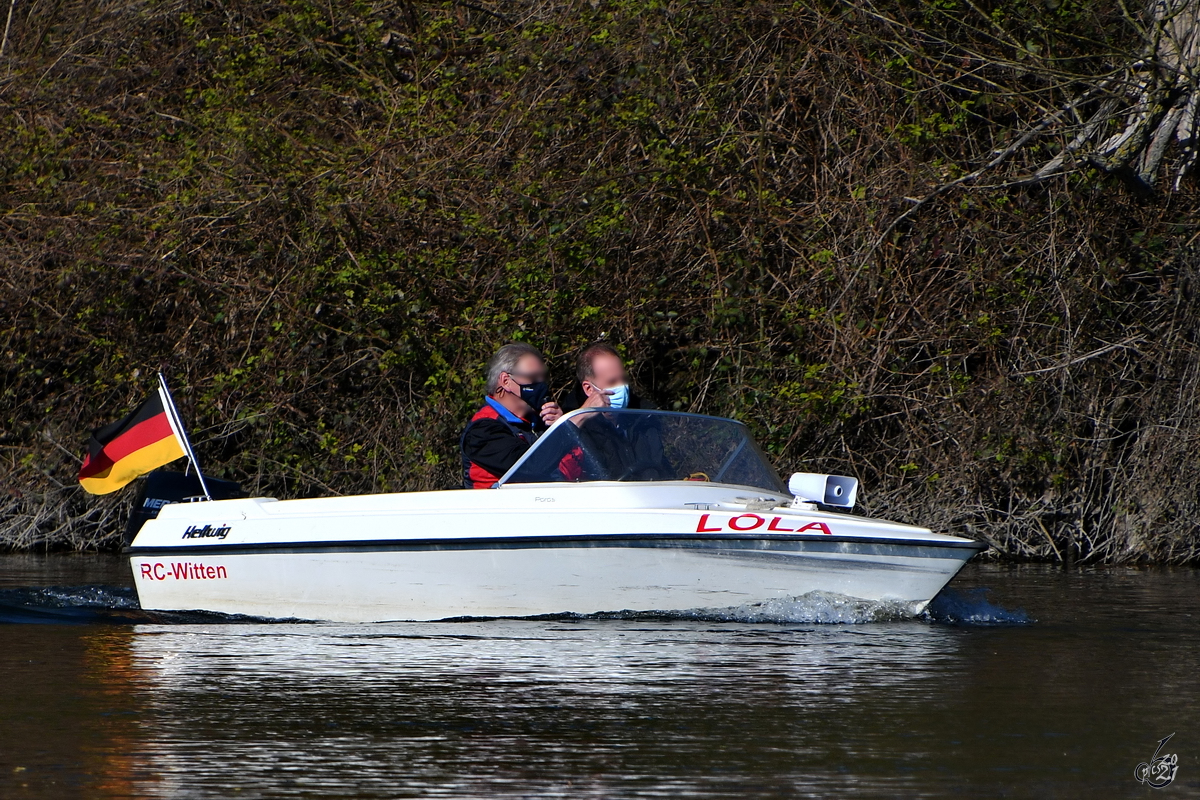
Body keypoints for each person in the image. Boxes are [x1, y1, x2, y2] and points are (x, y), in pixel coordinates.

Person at [460, 343, 566, 489]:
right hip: (499, 509)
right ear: (505, 381)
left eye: (543, 378)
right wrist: (571, 425)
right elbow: (532, 468)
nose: (541, 385)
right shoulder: (483, 431)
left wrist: (564, 427)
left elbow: (574, 467)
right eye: (533, 378)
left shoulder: (540, 420)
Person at [560, 342, 657, 412]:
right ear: (589, 388)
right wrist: (582, 416)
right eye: (612, 382)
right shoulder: (574, 422)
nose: (621, 386)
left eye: (624, 379)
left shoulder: (645, 415)